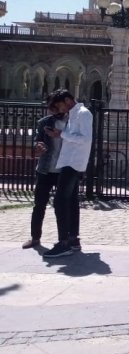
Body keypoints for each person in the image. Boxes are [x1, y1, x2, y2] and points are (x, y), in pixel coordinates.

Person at [42, 89, 93, 258]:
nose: (60, 110)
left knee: (60, 202)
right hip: (69, 161)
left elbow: (85, 139)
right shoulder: (73, 114)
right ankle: (72, 239)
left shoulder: (83, 114)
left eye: (59, 105)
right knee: (70, 201)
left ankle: (63, 242)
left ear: (67, 100)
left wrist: (61, 134)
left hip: (74, 162)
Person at [23, 101, 67, 249]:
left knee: (61, 207)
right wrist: (38, 147)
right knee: (39, 205)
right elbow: (36, 142)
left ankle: (64, 239)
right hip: (45, 169)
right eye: (51, 109)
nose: (53, 112)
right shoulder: (44, 123)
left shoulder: (72, 124)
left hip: (63, 170)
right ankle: (35, 238)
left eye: (56, 108)